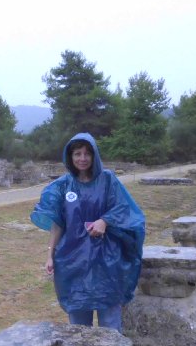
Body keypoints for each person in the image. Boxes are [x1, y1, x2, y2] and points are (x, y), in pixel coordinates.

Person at [30, 132, 145, 332]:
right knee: (78, 326)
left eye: (87, 153)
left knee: (110, 324)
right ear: (70, 156)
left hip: (107, 261)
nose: (82, 159)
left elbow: (126, 209)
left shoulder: (107, 180)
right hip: (73, 261)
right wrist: (50, 255)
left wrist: (105, 221)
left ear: (94, 156)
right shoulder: (63, 185)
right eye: (77, 154)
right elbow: (58, 224)